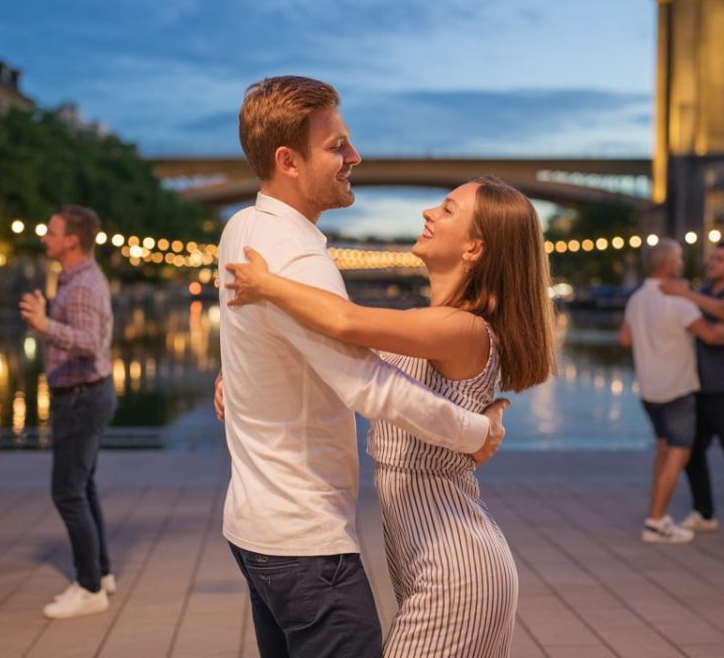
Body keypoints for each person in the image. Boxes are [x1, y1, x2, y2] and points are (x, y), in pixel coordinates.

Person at [217, 76, 509, 658]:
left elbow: (313, 341)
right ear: (289, 161)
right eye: (337, 146)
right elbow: (368, 384)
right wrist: (480, 431)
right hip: (305, 541)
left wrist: (238, 377)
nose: (355, 157)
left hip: (254, 529)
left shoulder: (241, 229)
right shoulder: (299, 259)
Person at [19, 205, 119, 619]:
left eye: (52, 231)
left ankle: (89, 587)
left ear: (72, 240)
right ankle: (102, 573)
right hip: (87, 393)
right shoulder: (77, 278)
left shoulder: (81, 285)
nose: (45, 237)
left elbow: (89, 342)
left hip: (80, 397)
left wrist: (44, 326)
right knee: (84, 486)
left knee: (67, 492)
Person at [620, 239, 724, 544]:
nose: (682, 262)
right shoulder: (679, 301)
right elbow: (710, 334)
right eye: (680, 258)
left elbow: (625, 339)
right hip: (677, 389)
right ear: (669, 265)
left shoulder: (636, 299)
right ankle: (656, 522)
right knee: (678, 453)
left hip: (649, 390)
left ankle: (656, 513)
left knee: (663, 448)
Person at [658, 241, 724, 542]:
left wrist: (683, 293)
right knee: (691, 454)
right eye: (712, 258)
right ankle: (704, 513)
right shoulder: (704, 294)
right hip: (698, 387)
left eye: (719, 259)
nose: (711, 263)